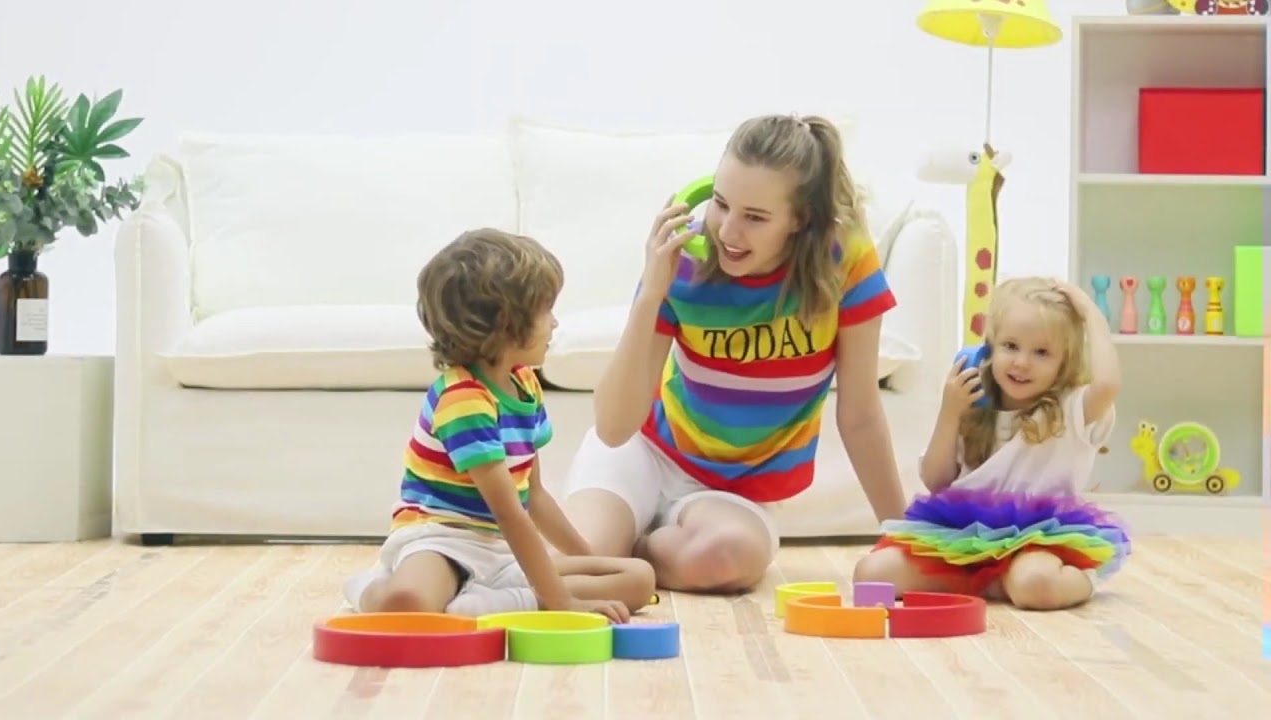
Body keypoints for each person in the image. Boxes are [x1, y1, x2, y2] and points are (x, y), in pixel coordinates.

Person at [561, 113, 909, 594]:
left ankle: (633, 553)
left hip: (731, 491)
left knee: (724, 559)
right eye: (722, 205)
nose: (727, 231)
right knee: (579, 564)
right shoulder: (682, 257)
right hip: (643, 452)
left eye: (755, 217)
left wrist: (901, 535)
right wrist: (650, 295)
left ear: (800, 219)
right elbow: (614, 428)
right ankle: (615, 549)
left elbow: (861, 414)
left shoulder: (843, 259)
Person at [342, 228, 656, 622]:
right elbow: (509, 512)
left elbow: (535, 495)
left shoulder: (524, 383)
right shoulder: (463, 400)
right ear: (508, 324)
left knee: (638, 579)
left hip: (498, 550)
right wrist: (559, 600)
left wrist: (591, 563)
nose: (556, 323)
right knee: (408, 606)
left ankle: (481, 603)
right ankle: (370, 588)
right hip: (442, 540)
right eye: (546, 311)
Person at [853, 277, 1132, 610]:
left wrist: (1090, 313)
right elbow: (936, 480)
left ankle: (1079, 580)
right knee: (870, 573)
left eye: (1042, 352)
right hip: (966, 537)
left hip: (1038, 540)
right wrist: (950, 411)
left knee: (1034, 586)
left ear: (1064, 362)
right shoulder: (973, 402)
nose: (1021, 362)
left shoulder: (1072, 411)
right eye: (1010, 346)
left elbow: (1108, 384)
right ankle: (992, 582)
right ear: (989, 347)